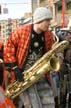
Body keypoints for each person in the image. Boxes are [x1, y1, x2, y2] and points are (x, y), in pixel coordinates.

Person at [4, 7, 56, 108]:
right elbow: (8, 47)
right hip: (24, 76)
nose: (50, 23)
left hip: (41, 74)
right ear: (39, 20)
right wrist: (14, 68)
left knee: (49, 103)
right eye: (47, 20)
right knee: (33, 105)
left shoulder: (48, 35)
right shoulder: (21, 31)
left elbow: (49, 52)